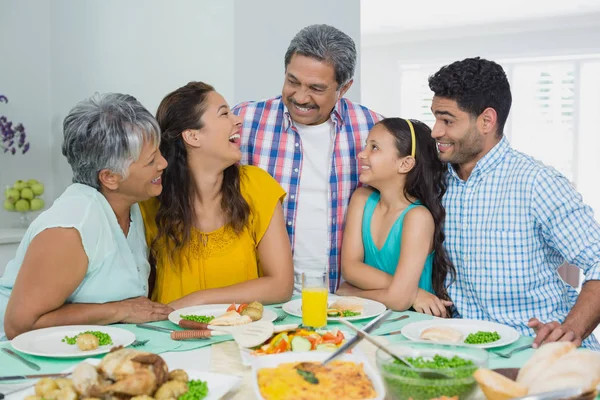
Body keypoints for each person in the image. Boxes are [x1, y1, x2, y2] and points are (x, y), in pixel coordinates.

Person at [428, 57, 600, 349]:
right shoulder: (435, 181)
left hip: (538, 348)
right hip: (466, 347)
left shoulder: (537, 183)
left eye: (447, 120)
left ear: (486, 120)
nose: (435, 131)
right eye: (435, 117)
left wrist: (571, 330)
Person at [0, 93, 172, 340]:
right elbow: (19, 326)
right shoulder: (70, 227)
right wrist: (119, 310)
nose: (163, 163)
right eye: (150, 161)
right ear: (110, 177)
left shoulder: (130, 206)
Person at [233, 24, 383, 293]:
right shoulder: (245, 121)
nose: (300, 97)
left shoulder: (372, 129)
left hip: (345, 299)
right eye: (292, 81)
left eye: (316, 88)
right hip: (262, 299)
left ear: (344, 87)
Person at [141, 82, 294, 309]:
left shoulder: (257, 186)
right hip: (169, 338)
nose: (238, 120)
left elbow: (281, 285)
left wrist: (199, 299)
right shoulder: (151, 199)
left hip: (242, 336)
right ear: (192, 136)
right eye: (224, 114)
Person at [336, 118, 455, 317]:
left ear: (405, 163)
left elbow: (399, 301)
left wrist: (351, 293)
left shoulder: (417, 218)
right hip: (370, 321)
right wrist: (413, 293)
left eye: (374, 148)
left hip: (413, 324)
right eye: (366, 145)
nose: (361, 154)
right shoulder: (361, 199)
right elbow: (350, 269)